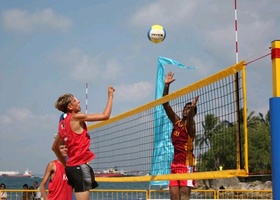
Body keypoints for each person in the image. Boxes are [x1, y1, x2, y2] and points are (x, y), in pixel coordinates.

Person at [52, 86, 115, 200]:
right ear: (70, 106)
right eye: (75, 100)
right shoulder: (75, 117)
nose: (79, 101)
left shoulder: (62, 124)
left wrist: (66, 164)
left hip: (72, 167)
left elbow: (55, 147)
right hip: (79, 167)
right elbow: (105, 116)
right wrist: (110, 96)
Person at [162, 71, 199, 200]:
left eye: (189, 108)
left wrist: (192, 109)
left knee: (184, 197)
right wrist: (166, 86)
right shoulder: (177, 122)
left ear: (193, 113)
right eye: (185, 107)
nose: (186, 109)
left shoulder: (191, 126)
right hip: (175, 165)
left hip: (187, 164)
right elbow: (165, 105)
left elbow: (189, 119)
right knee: (174, 197)